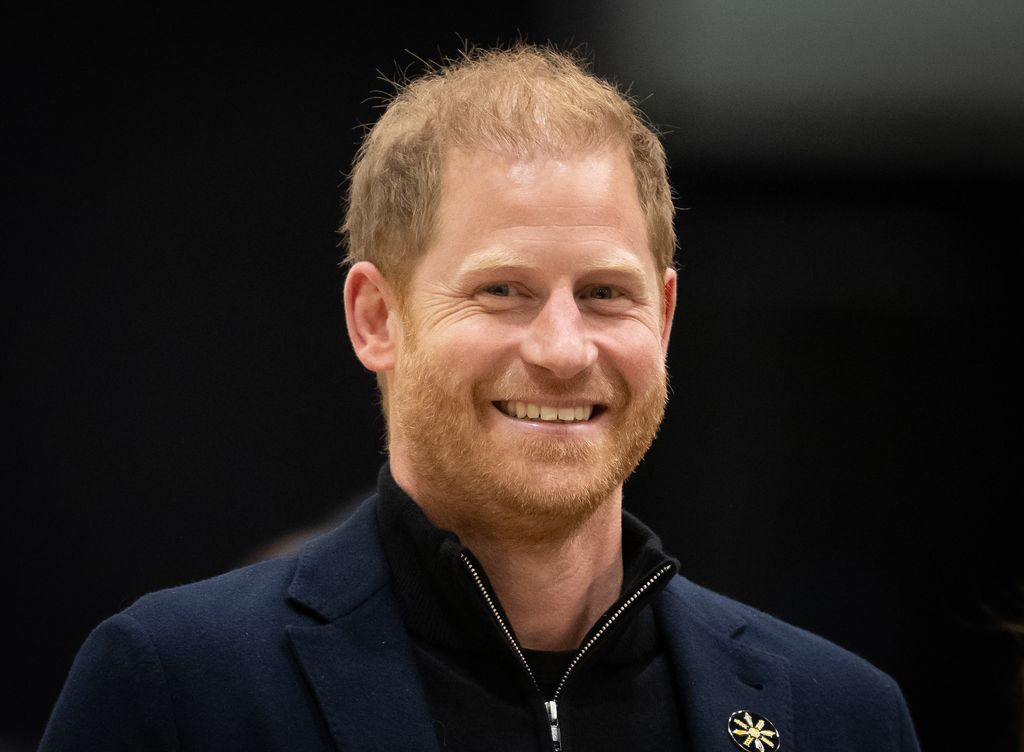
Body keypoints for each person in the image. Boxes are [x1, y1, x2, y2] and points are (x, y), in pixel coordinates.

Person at [40, 44, 920, 751]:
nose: (564, 349)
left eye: (608, 293)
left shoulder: (841, 716)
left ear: (667, 314)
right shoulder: (178, 688)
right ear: (376, 317)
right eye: (503, 290)